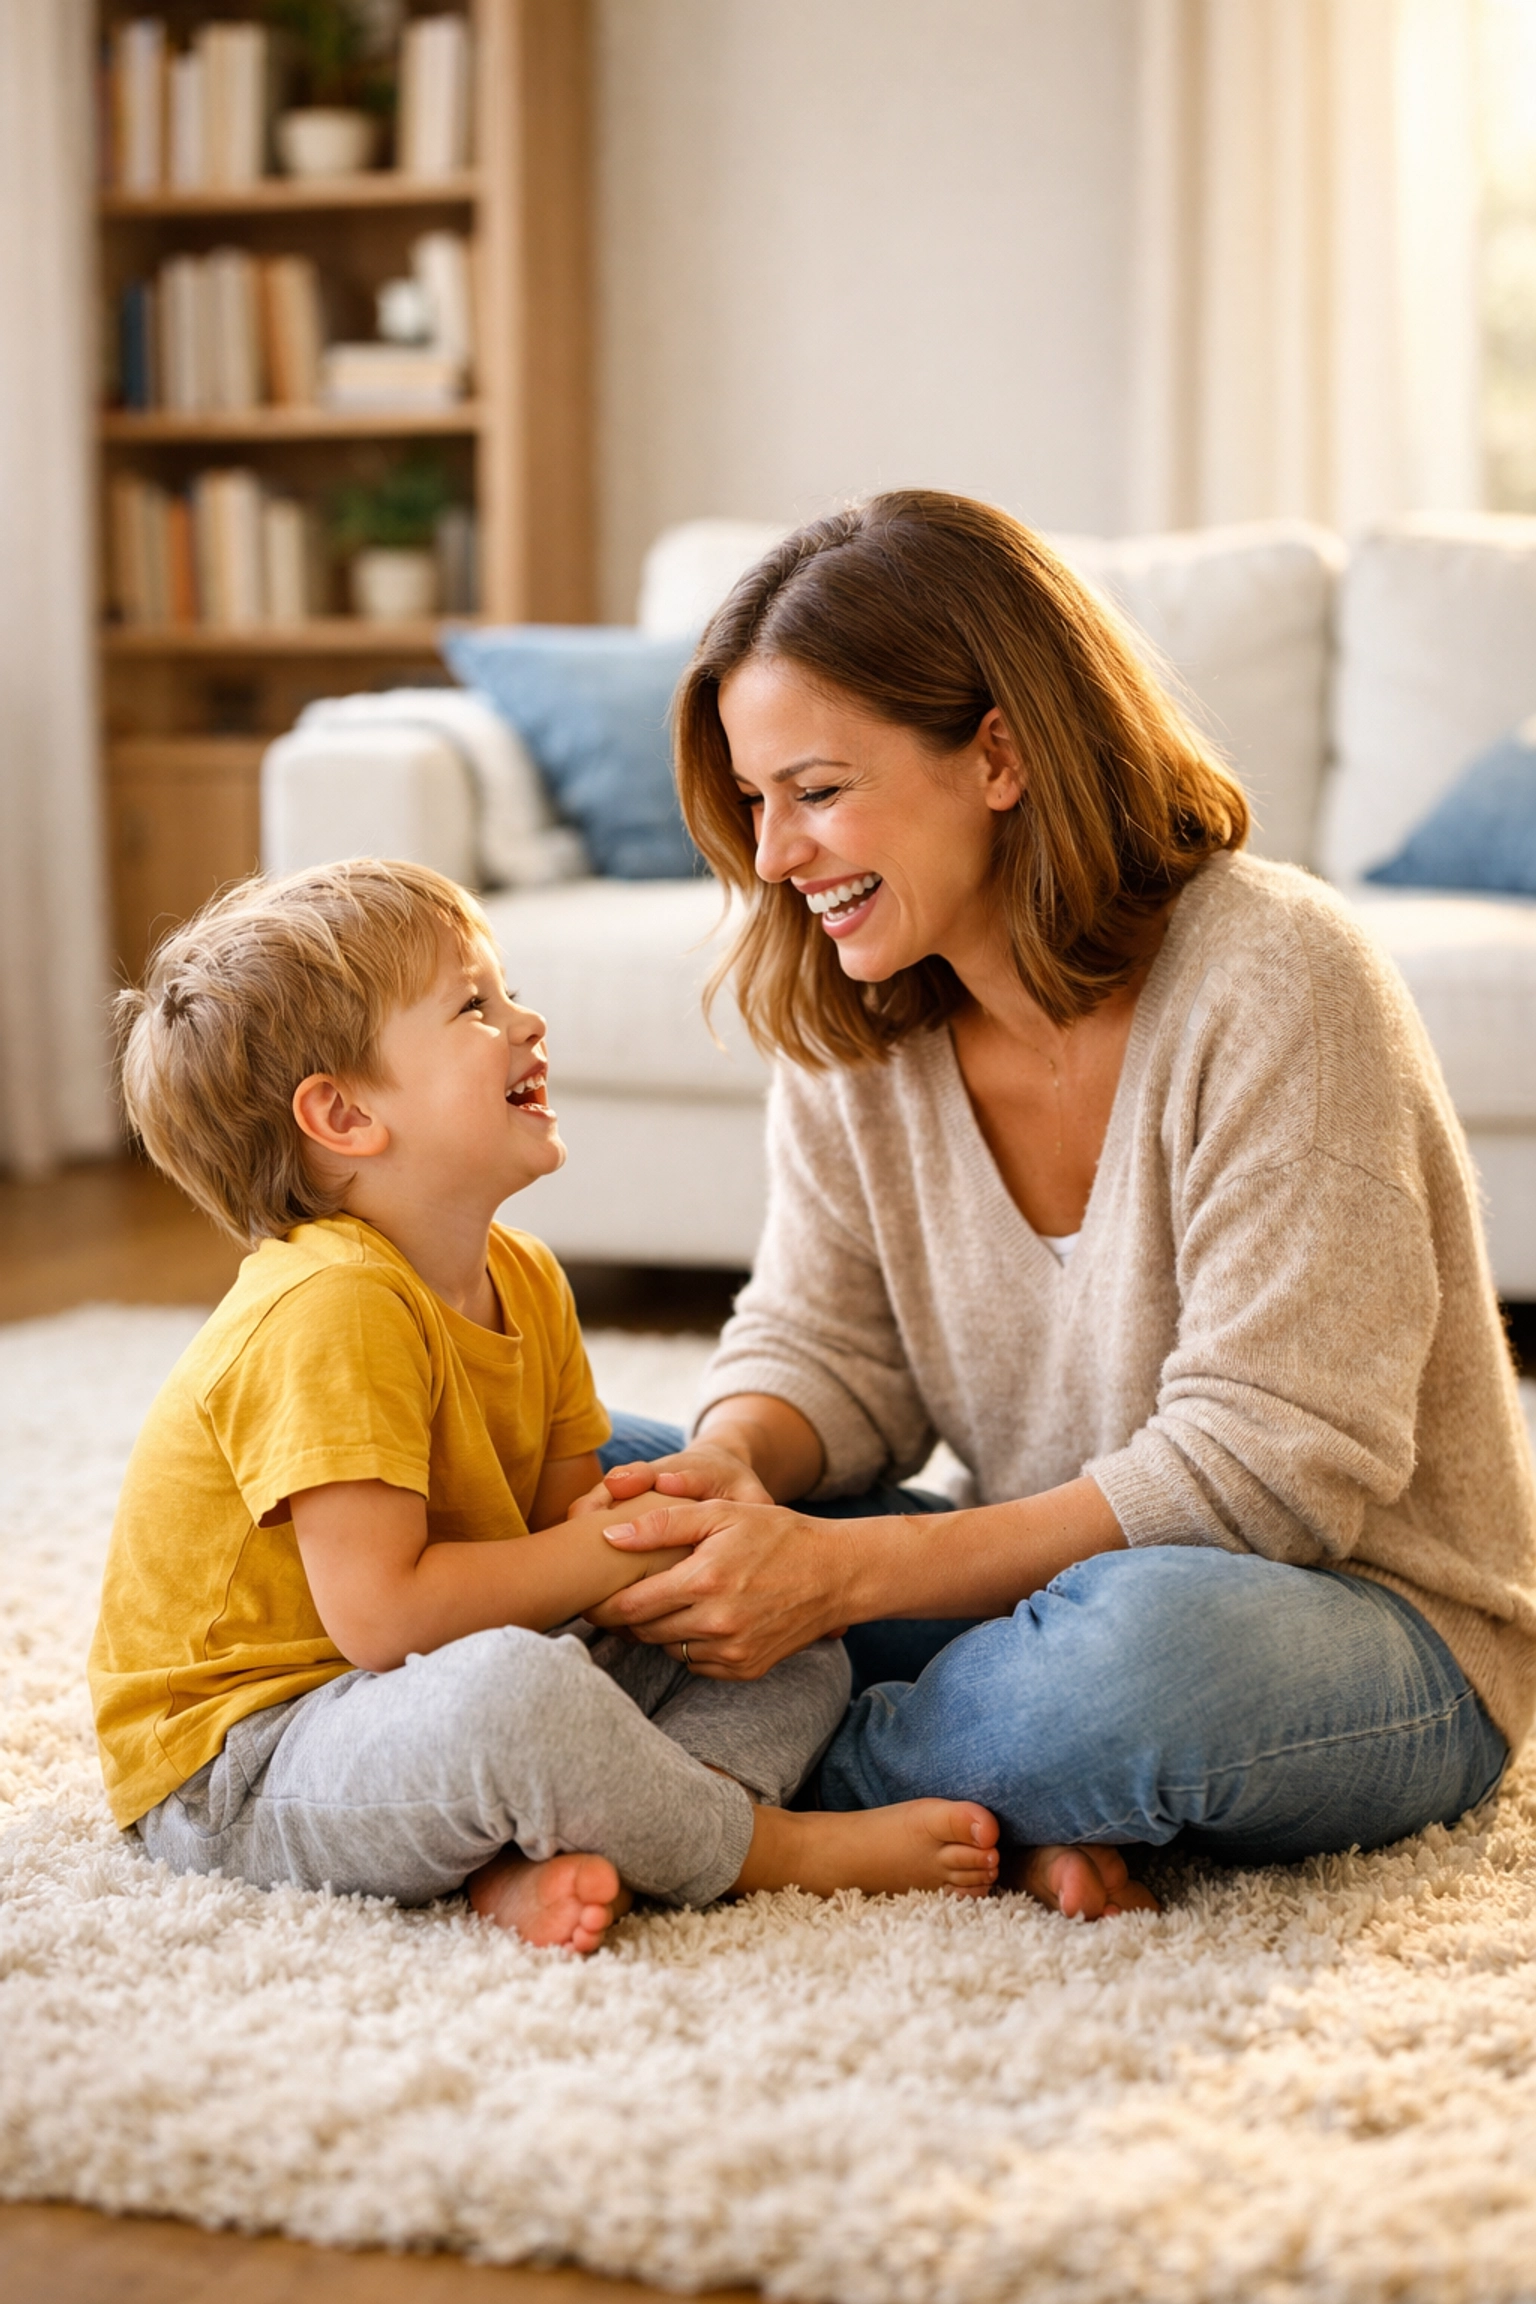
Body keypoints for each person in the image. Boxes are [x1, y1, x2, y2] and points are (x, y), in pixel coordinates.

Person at [582, 490, 1536, 1923]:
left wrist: (835, 1580)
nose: (776, 856)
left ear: (1001, 755)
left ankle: (691, 1790)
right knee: (569, 1459)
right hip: (1035, 1578)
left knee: (1140, 1670)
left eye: (820, 790)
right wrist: (736, 1466)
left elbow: (1265, 1479)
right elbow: (827, 1346)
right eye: (755, 802)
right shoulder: (862, 1017)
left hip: (1350, 1625)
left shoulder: (1280, 976)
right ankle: (1021, 1799)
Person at [90, 859, 1000, 1957]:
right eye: (474, 1006)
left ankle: (650, 1822)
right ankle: (766, 1848)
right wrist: (621, 1551)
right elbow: (386, 1621)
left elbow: (572, 1557)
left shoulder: (524, 1275)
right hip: (250, 1758)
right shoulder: (329, 1303)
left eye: (506, 989)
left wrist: (685, 1539)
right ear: (342, 1114)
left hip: (428, 1689)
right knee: (515, 1696)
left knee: (781, 1624)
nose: (526, 1021)